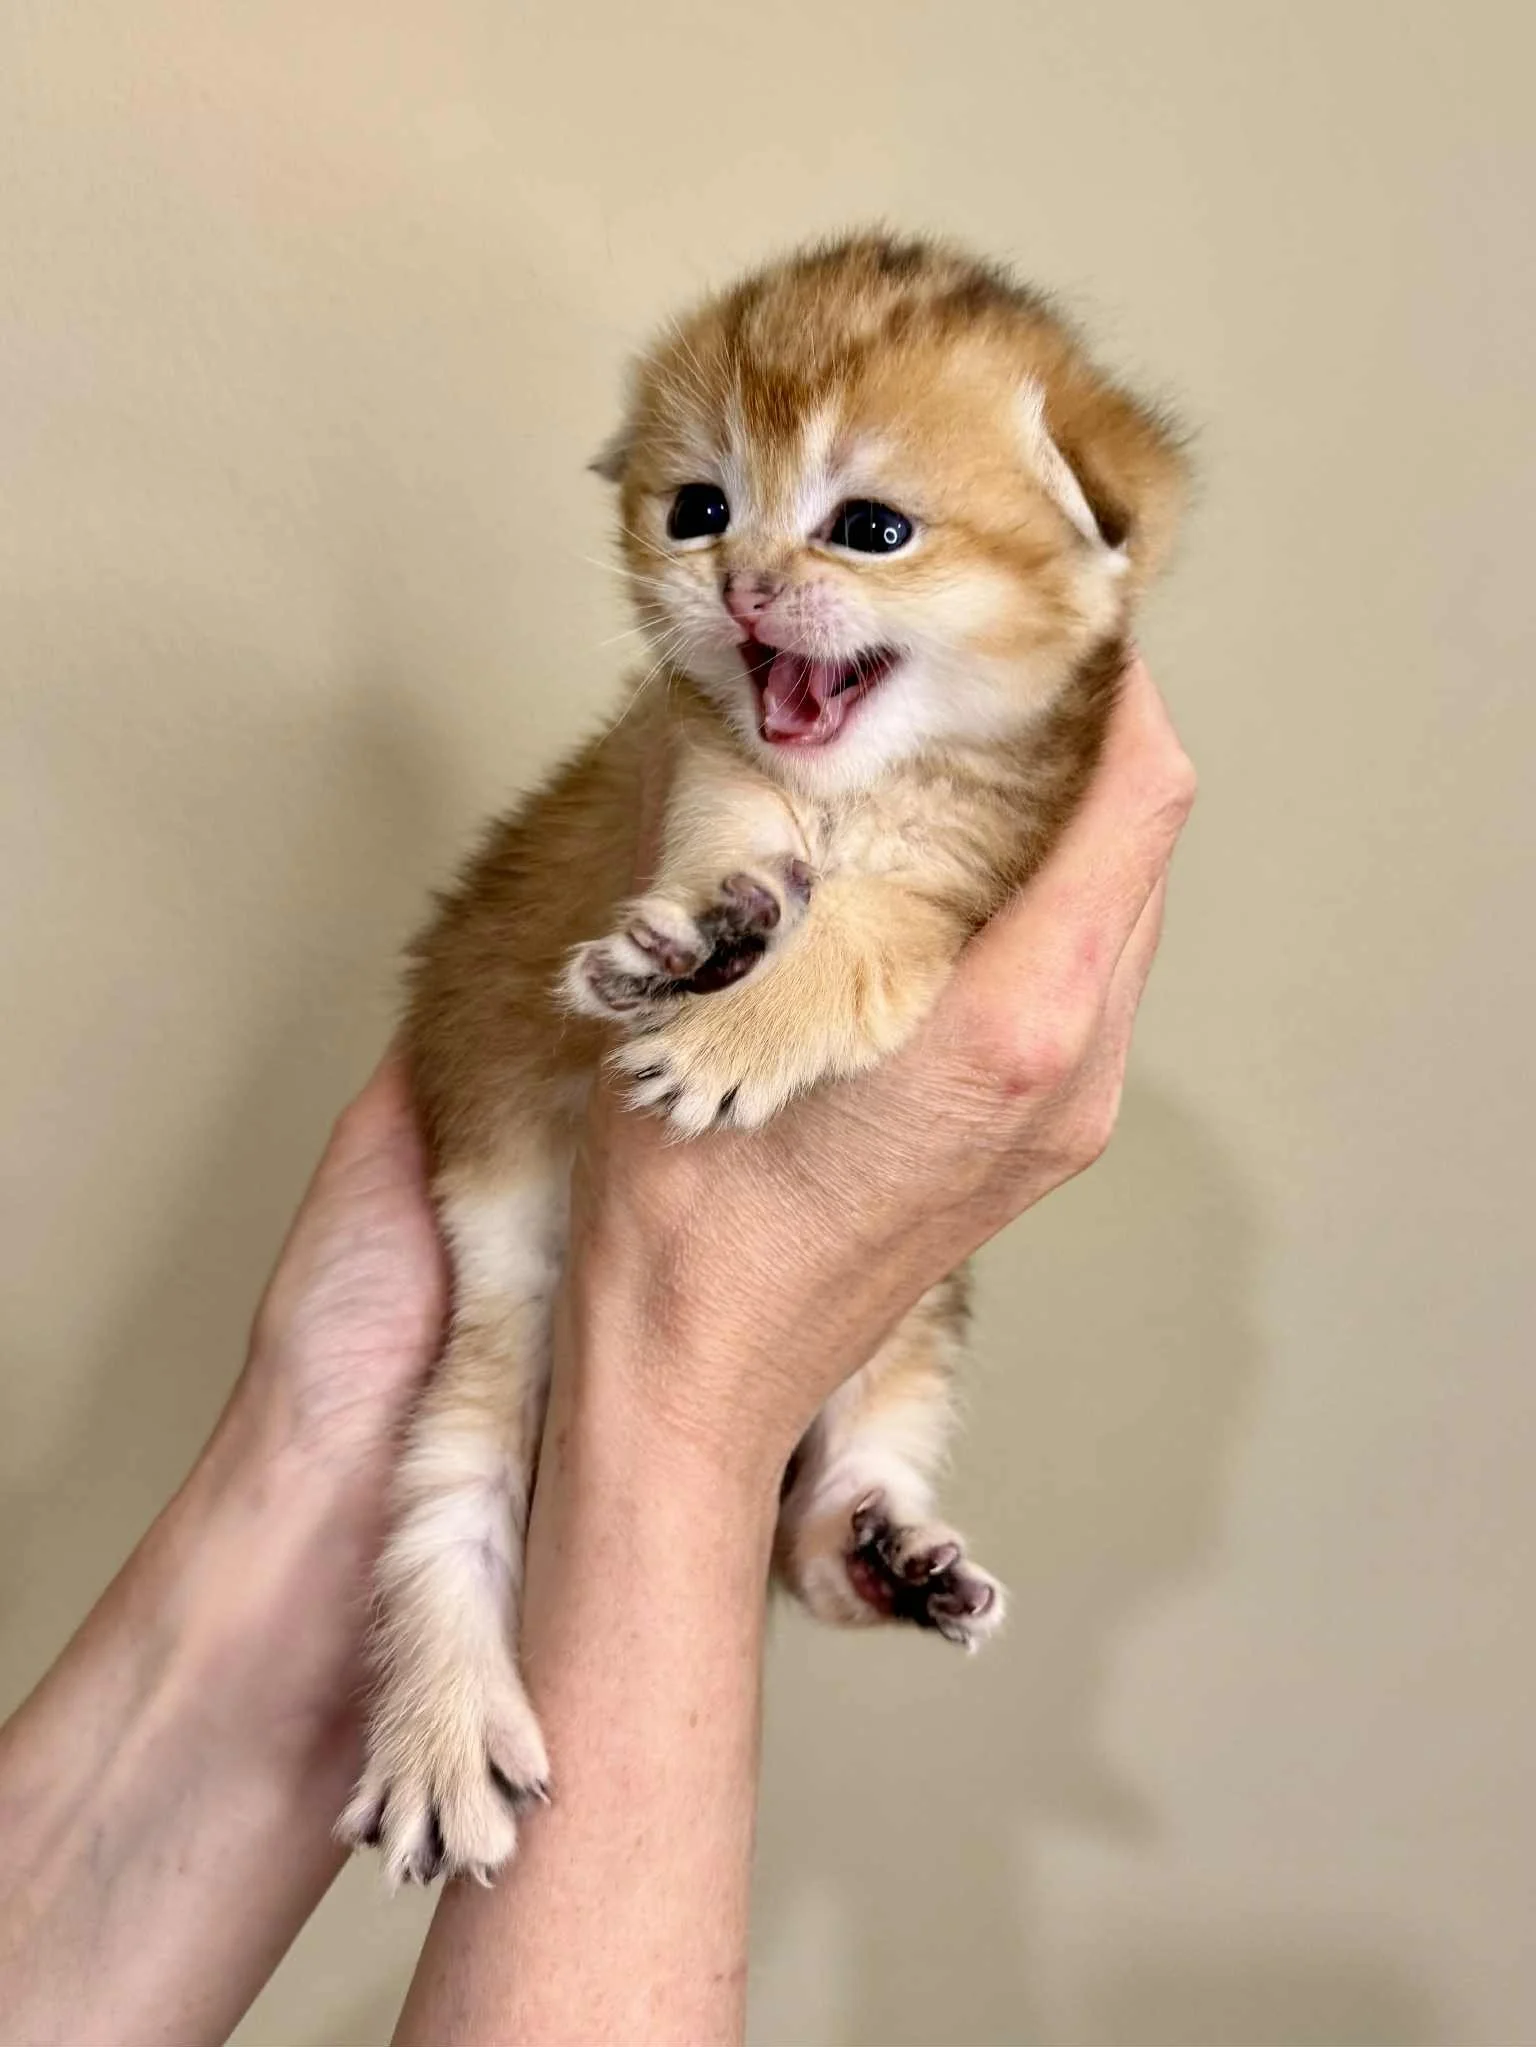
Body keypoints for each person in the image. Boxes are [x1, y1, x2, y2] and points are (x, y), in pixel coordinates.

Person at [0, 658, 1194, 2047]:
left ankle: (847, 1496)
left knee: (860, 1320)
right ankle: (828, 1504)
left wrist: (316, 1462)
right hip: (573, 1173)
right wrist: (685, 1393)